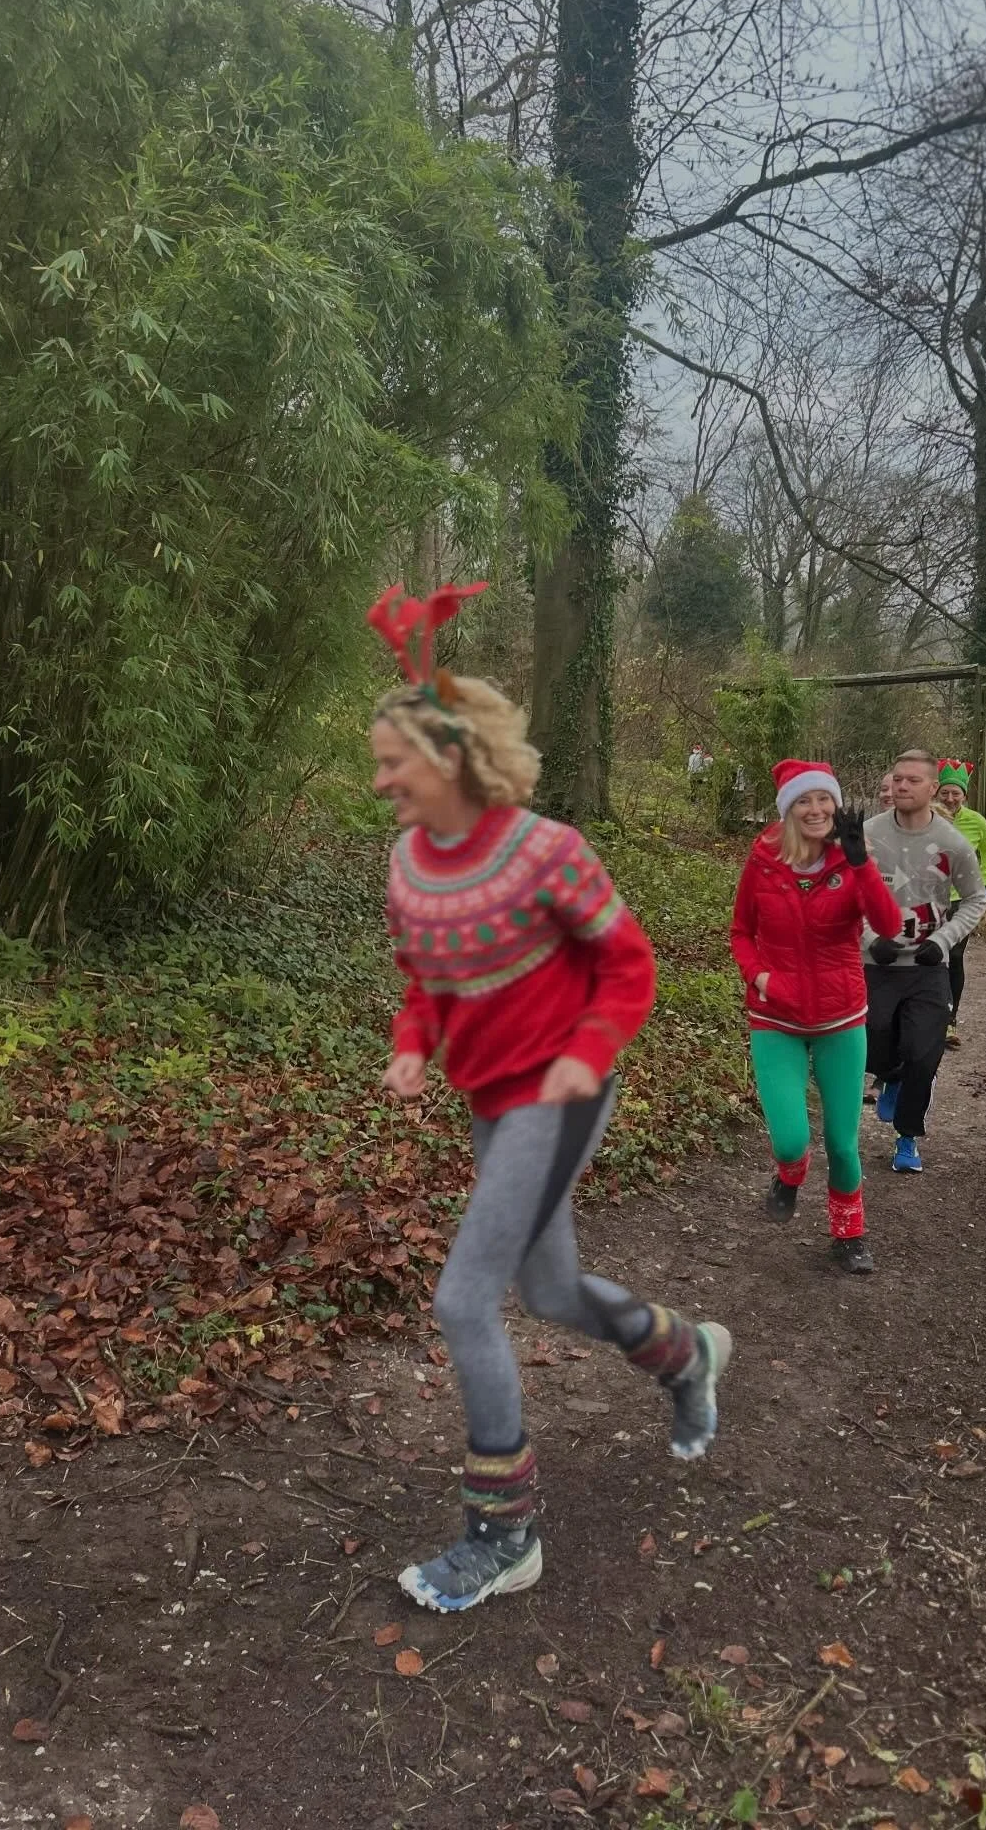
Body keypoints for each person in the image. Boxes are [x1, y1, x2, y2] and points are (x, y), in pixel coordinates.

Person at [370, 582, 731, 1613]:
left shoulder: (547, 852)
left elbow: (627, 966)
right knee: (551, 1293)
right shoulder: (407, 866)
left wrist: (590, 1049)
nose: (381, 777)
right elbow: (421, 982)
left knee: (462, 1298)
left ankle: (504, 1532)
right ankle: (686, 1352)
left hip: (564, 1091)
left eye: (394, 759)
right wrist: (411, 1047)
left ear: (449, 757)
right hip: (491, 1098)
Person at [730, 759, 904, 1273]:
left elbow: (888, 925)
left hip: (840, 1018)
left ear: (835, 804)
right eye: (804, 800)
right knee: (791, 1137)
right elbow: (741, 932)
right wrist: (759, 977)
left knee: (843, 1143)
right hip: (776, 1018)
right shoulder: (763, 861)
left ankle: (849, 1235)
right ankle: (790, 1173)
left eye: (823, 799)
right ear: (788, 809)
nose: (815, 809)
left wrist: (860, 865)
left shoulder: (851, 860)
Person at [862, 751, 986, 1173]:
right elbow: (843, 893)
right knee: (874, 1046)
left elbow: (974, 899)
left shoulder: (954, 844)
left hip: (927, 964)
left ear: (933, 789)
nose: (901, 787)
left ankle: (907, 1137)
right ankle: (890, 1075)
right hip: (876, 964)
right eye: (897, 779)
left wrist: (945, 939)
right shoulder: (867, 836)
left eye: (912, 780)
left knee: (924, 1051)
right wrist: (868, 936)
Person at [934, 759, 986, 1042]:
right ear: (937, 792)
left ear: (964, 796)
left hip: (963, 899)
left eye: (955, 793)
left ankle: (949, 1020)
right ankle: (929, 1013)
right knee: (932, 957)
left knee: (955, 955)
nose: (949, 799)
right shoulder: (928, 818)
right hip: (930, 898)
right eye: (945, 793)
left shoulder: (976, 821)